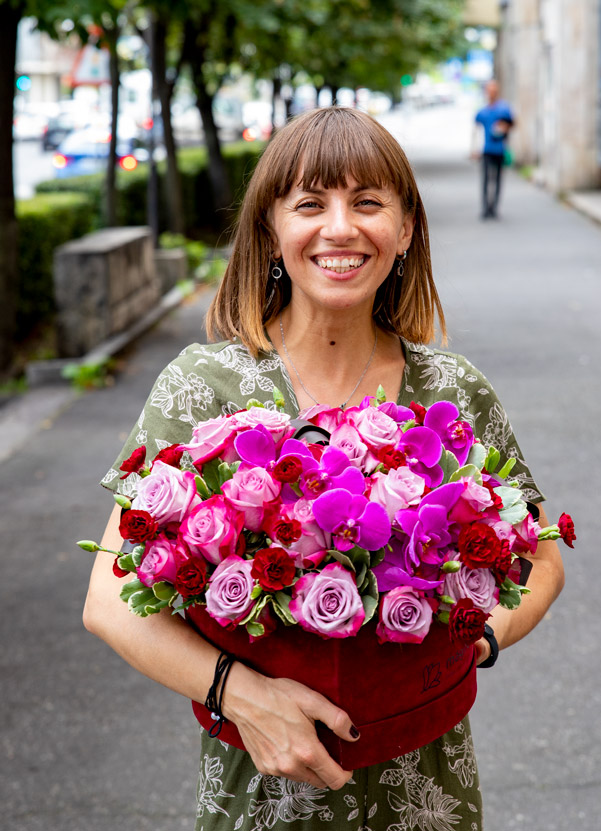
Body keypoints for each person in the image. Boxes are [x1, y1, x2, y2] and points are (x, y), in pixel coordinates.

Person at [84, 107, 564, 830]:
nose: (340, 227)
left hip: (425, 785)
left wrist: (476, 634)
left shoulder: (452, 391)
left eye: (367, 203)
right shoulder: (203, 386)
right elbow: (110, 597)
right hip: (260, 789)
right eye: (310, 204)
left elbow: (539, 553)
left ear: (404, 230)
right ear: (271, 232)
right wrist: (238, 692)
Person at [472, 79, 515, 219]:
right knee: (485, 180)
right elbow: (476, 130)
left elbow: (512, 124)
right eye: (489, 90)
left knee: (497, 179)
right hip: (486, 150)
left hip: (500, 149)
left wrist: (503, 128)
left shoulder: (504, 109)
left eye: (494, 90)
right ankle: (485, 208)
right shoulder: (482, 111)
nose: (492, 93)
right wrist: (474, 148)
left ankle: (494, 207)